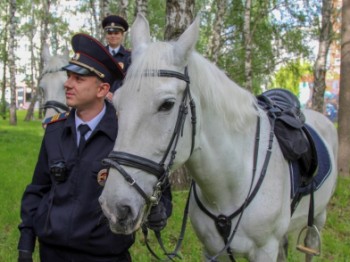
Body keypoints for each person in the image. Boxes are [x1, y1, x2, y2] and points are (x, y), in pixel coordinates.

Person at [18, 33, 172, 262]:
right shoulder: (55, 131)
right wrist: (26, 246)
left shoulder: (125, 132)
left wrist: (160, 211)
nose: (68, 83)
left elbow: (161, 190)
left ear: (102, 90)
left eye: (78, 79)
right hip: (52, 253)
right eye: (69, 76)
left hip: (105, 256)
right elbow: (38, 190)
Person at [102, 15, 131, 101]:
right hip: (100, 100)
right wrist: (105, 93)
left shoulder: (129, 57)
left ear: (122, 35)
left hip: (122, 101)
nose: (113, 36)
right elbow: (94, 78)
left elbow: (131, 81)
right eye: (110, 33)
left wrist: (116, 94)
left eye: (116, 33)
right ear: (106, 35)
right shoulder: (99, 54)